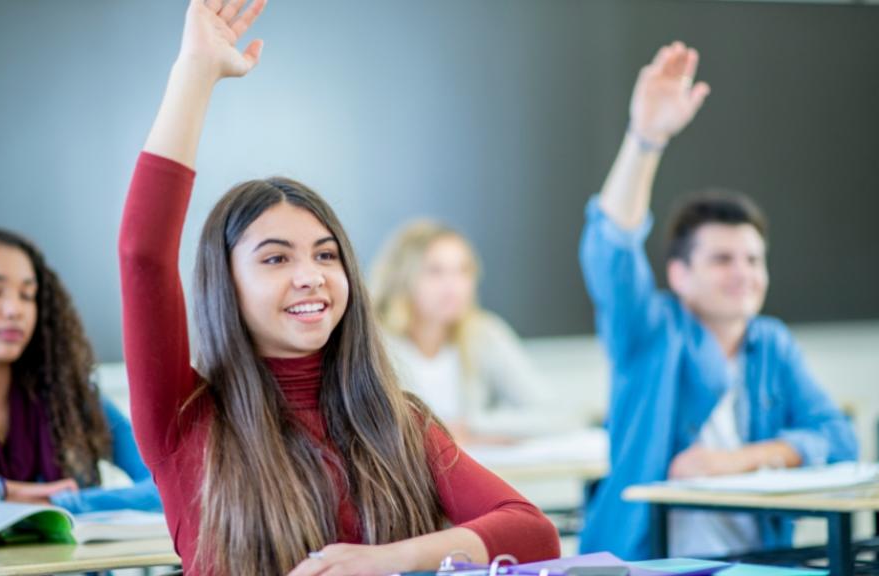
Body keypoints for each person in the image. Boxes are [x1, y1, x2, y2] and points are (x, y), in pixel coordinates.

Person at [118, 1, 560, 575]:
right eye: (275, 258)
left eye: (326, 255)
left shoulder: (394, 419)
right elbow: (143, 255)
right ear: (225, 285)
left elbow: (532, 531)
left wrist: (387, 560)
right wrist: (195, 74)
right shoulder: (185, 417)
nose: (310, 275)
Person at [577, 42, 857, 560]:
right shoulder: (650, 331)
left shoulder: (770, 341)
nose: (744, 275)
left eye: (753, 260)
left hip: (758, 562)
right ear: (679, 275)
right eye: (723, 260)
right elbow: (610, 249)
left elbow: (839, 438)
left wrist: (742, 459)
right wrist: (645, 140)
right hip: (645, 559)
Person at [0, 225, 161, 514]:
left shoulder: (69, 398)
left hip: (68, 561)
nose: (14, 310)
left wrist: (62, 503)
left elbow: (165, 487)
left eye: (27, 295)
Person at [371, 220, 557, 445]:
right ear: (402, 277)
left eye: (463, 271)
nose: (454, 285)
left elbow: (552, 413)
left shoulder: (485, 334)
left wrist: (473, 427)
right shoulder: (373, 341)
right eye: (435, 271)